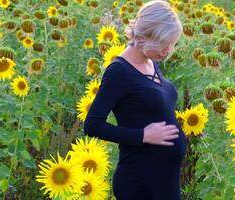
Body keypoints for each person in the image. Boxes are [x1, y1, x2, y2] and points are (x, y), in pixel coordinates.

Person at [83, 1, 186, 199]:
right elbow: (92, 125)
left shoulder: (151, 62)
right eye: (162, 45)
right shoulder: (118, 71)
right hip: (140, 180)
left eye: (171, 45)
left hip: (164, 179)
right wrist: (142, 136)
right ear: (144, 36)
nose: (167, 51)